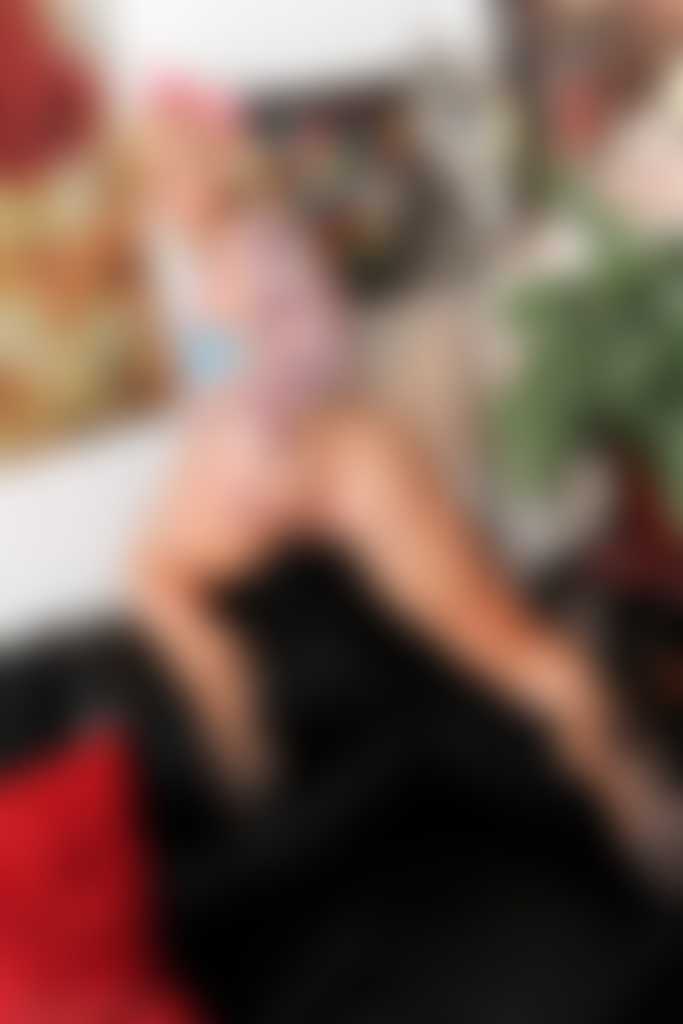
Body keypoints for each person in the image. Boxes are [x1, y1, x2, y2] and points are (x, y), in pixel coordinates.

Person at [129, 80, 681, 887]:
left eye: (167, 176)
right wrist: (223, 441)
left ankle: (638, 805)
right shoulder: (205, 266)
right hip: (287, 488)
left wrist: (266, 430)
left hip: (349, 472)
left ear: (210, 169)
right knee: (156, 576)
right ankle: (244, 758)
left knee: (513, 656)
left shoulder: (265, 244)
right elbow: (222, 387)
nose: (157, 200)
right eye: (148, 184)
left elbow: (314, 353)